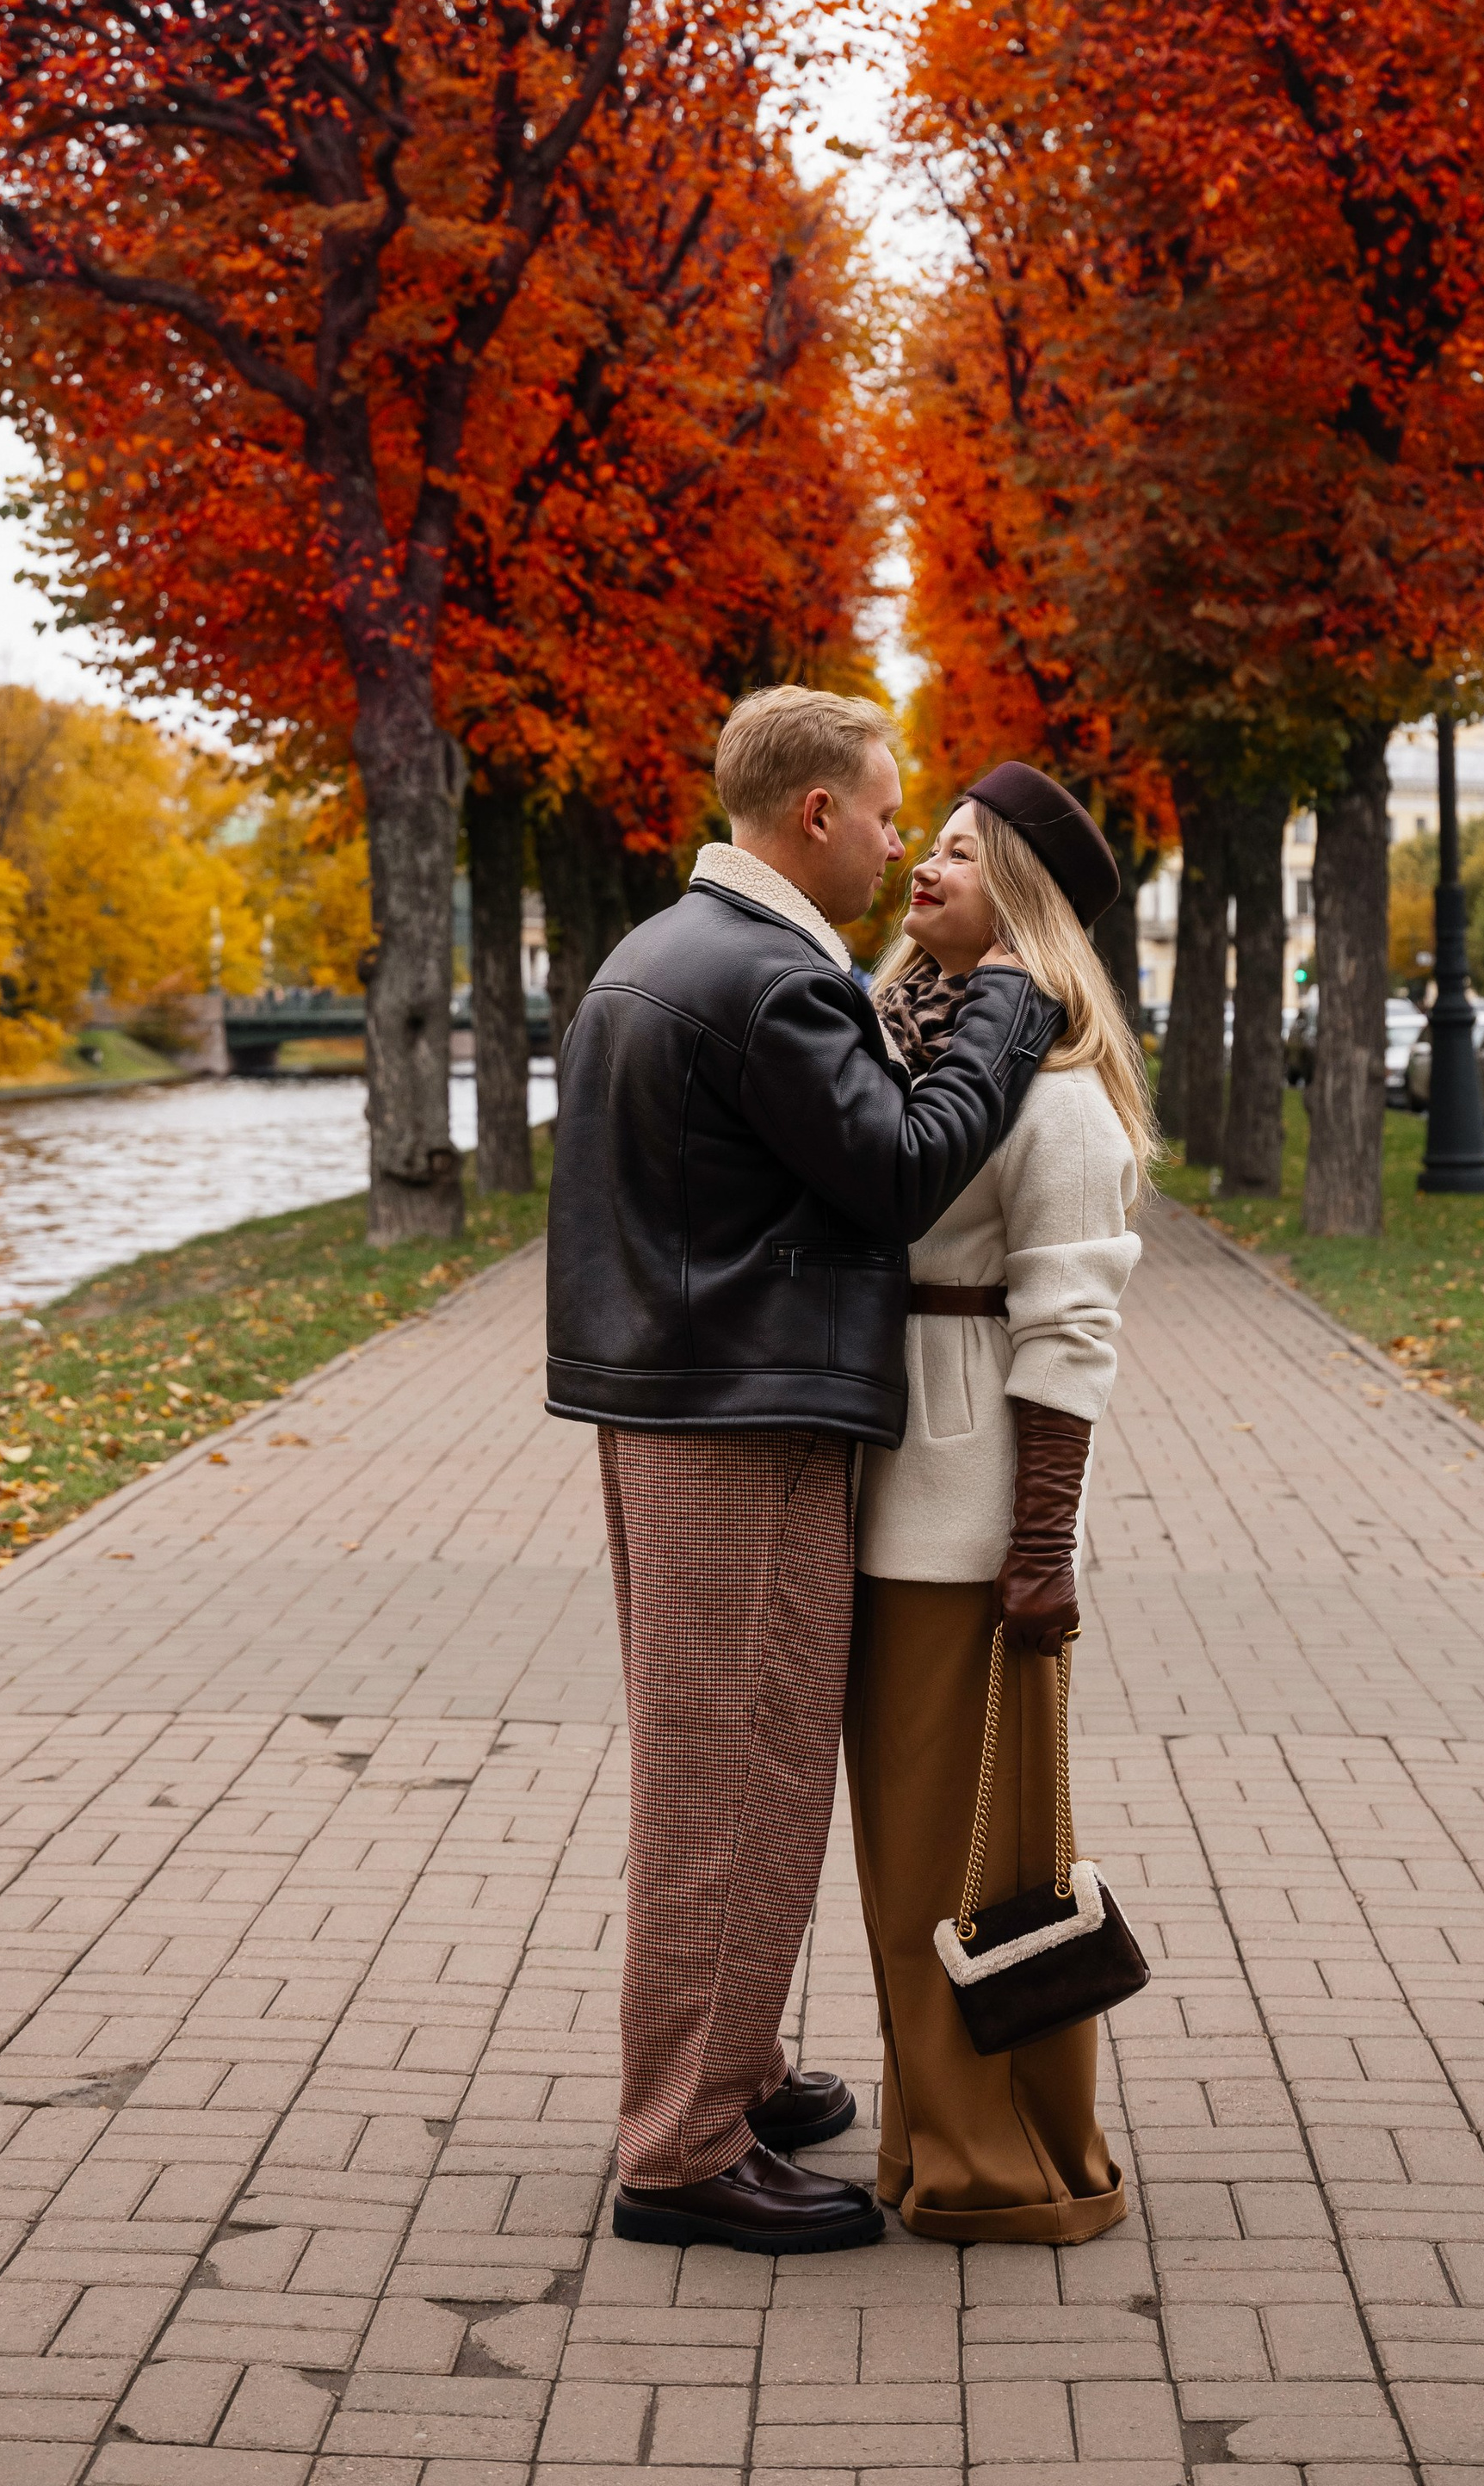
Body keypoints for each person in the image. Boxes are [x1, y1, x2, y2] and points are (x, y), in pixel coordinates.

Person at [545, 686, 1061, 2255]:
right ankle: (683, 2149)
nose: (906, 843)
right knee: (739, 1776)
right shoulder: (774, 982)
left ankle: (735, 2068)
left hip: (675, 1402)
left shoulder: (662, 950)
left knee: (718, 1758)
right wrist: (1007, 1017)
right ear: (817, 814)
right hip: (743, 1420)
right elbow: (901, 1173)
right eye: (894, 813)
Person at [846, 764, 1154, 2245]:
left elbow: (1072, 1333)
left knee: (956, 1867)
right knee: (920, 1856)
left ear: (1019, 894)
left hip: (964, 1528)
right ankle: (937, 2138)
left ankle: (992, 2158)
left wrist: (1040, 1548)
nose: (927, 864)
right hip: (886, 1496)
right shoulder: (909, 1036)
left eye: (961, 853)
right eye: (932, 840)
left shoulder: (1058, 1089)